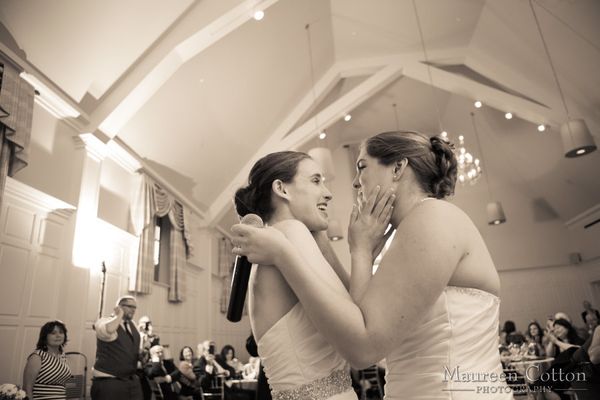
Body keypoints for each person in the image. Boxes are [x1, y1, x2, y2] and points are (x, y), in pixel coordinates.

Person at [231, 131, 513, 399]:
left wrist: (359, 251)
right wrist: (353, 249)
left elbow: (363, 342)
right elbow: (361, 317)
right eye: (317, 181)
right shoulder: (414, 229)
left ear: (398, 168)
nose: (354, 183)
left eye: (362, 167)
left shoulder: (432, 218)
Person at [233, 151, 366, 399]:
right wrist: (363, 248)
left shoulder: (282, 239)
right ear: (281, 189)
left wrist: (321, 238)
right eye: (316, 180)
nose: (328, 192)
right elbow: (361, 331)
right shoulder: (291, 232)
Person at [91, 295, 143, 400]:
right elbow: (109, 330)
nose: (133, 310)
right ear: (119, 306)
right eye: (129, 306)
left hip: (131, 381)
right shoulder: (104, 321)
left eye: (134, 307)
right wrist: (119, 315)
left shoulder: (133, 325)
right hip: (109, 381)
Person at [23, 320, 72, 399]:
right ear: (45, 337)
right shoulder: (37, 356)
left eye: (61, 332)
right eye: (53, 333)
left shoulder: (62, 357)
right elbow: (27, 388)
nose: (58, 335)